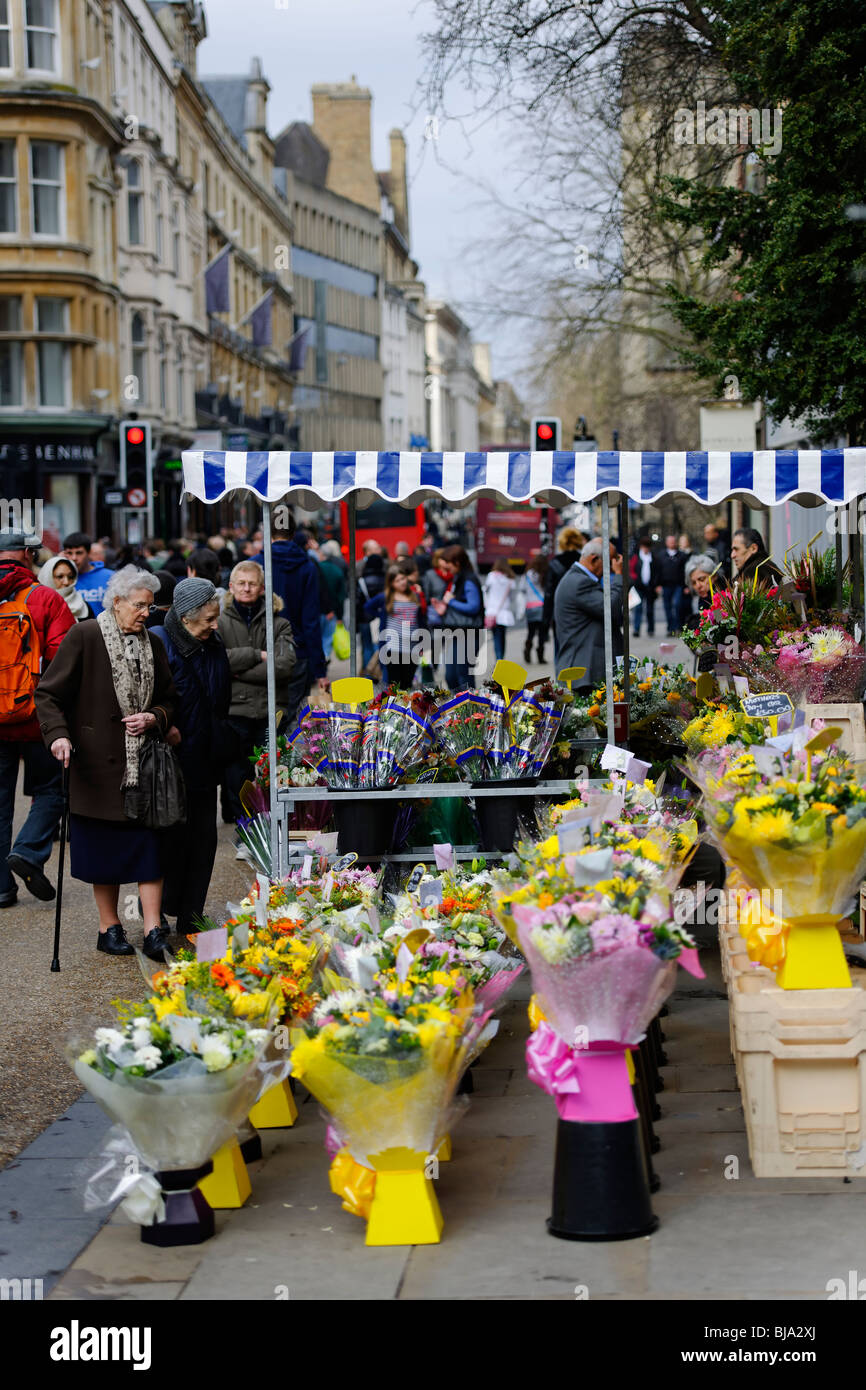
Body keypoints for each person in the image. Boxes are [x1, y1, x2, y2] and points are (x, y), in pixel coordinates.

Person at [36, 565, 175, 957]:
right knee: (104, 853)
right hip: (96, 768)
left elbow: (170, 699)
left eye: (150, 605)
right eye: (140, 605)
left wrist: (155, 717)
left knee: (149, 849)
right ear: (117, 602)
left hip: (144, 767)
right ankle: (108, 927)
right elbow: (48, 694)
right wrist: (58, 735)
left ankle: (152, 930)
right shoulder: (84, 636)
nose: (147, 613)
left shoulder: (155, 644)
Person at [150, 579, 231, 937]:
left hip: (206, 754)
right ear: (185, 618)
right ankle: (162, 907)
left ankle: (191, 914)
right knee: (170, 837)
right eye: (210, 619)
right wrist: (166, 725)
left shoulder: (211, 643)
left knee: (203, 838)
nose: (215, 625)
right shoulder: (159, 642)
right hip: (170, 758)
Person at [0, 529, 75, 907]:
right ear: (27, 555)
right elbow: (66, 657)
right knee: (53, 790)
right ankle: (28, 851)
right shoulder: (44, 598)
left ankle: (1, 887)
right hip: (38, 715)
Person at [218, 561, 297, 831]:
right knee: (236, 775)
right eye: (241, 583)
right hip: (234, 710)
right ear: (231, 586)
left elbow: (284, 665)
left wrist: (239, 672)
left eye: (252, 583)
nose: (247, 588)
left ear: (262, 587)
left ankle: (271, 828)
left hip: (269, 709)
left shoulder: (279, 622)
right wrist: (255, 655)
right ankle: (245, 830)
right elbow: (219, 662)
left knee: (270, 774)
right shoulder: (218, 620)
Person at [252, 514, 327, 726]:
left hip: (261, 649)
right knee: (293, 717)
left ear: (267, 532)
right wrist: (320, 669)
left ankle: (267, 758)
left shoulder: (255, 565)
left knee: (265, 717)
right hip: (297, 651)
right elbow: (311, 620)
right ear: (294, 534)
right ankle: (287, 758)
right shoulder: (307, 566)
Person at [553, 538, 624, 692]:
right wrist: (619, 576)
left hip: (585, 671)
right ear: (594, 559)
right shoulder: (579, 582)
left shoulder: (578, 579)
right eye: (610, 562)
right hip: (584, 673)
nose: (611, 569)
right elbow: (609, 608)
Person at [428, 545, 483, 689]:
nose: (446, 568)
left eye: (448, 564)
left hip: (469, 634)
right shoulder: (459, 578)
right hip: (457, 632)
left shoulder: (468, 579)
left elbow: (474, 607)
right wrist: (444, 606)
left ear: (457, 563)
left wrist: (451, 601)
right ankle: (458, 706)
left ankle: (470, 708)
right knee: (451, 676)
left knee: (463, 675)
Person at [364, 562, 425, 688]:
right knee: (394, 685)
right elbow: (367, 607)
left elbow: (420, 620)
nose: (402, 582)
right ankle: (394, 708)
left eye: (403, 578)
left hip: (412, 648)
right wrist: (381, 615)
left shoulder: (415, 596)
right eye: (397, 580)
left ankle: (405, 708)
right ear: (391, 583)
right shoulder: (385, 597)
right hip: (393, 648)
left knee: (407, 685)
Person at [543, 526, 589, 655]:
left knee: (560, 650)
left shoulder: (555, 563)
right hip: (581, 613)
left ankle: (561, 674)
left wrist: (545, 622)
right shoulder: (584, 561)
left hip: (559, 614)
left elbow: (549, 594)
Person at [63, 532, 110, 615]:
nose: (74, 558)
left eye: (79, 553)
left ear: (89, 553)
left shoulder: (109, 577)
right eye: (69, 553)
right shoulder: (60, 579)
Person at [37, 554, 93, 622]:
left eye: (70, 577)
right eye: (60, 577)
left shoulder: (83, 606)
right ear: (48, 578)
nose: (66, 582)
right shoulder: (37, 605)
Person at [357, 548, 386, 676]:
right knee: (380, 646)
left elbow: (357, 602)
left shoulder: (361, 581)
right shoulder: (387, 580)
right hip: (382, 617)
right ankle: (379, 672)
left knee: (367, 646)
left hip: (365, 618)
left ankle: (368, 674)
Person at [682, 553, 729, 629]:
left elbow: (720, 624)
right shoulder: (704, 597)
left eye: (702, 579)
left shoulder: (718, 597)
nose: (698, 586)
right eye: (693, 583)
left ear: (714, 576)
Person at [482, 558, 516, 664]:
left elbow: (485, 591)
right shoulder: (510, 580)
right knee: (502, 637)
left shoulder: (491, 576)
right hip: (504, 612)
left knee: (496, 637)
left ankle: (498, 659)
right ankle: (501, 659)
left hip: (492, 611)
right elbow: (512, 597)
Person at [318, 540, 347, 660]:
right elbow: (341, 596)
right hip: (333, 611)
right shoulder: (337, 571)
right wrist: (339, 616)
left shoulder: (316, 568)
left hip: (317, 610)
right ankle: (326, 658)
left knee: (318, 637)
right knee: (327, 638)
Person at [629, 537, 661, 637]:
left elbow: (657, 573)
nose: (645, 549)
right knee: (638, 608)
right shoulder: (636, 557)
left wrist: (656, 585)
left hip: (650, 587)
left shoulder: (654, 558)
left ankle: (650, 629)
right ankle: (636, 629)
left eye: (647, 547)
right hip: (639, 586)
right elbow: (631, 570)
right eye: (644, 547)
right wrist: (635, 580)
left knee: (650, 609)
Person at [656, 533, 687, 635]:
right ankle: (671, 628)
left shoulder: (682, 555)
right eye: (670, 541)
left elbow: (685, 572)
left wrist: (686, 586)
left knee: (678, 605)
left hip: (678, 585)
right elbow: (657, 571)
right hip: (666, 585)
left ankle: (678, 627)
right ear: (666, 543)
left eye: (673, 541)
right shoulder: (661, 555)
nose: (672, 543)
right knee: (667, 607)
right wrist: (658, 584)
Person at [522, 553, 549, 664]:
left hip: (530, 606)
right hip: (542, 606)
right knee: (542, 633)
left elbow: (522, 588)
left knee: (531, 631)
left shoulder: (528, 575)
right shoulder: (545, 575)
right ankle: (540, 656)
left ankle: (527, 650)